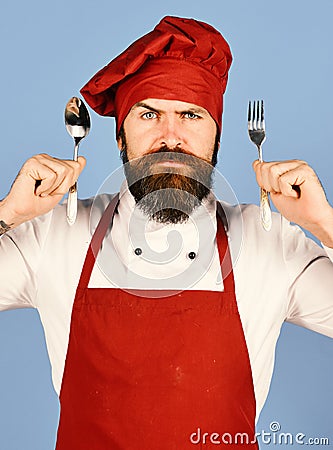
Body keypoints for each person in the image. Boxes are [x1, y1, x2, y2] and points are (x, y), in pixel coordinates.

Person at [0, 15, 332, 449]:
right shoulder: (52, 236)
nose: (170, 137)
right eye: (149, 113)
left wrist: (324, 223)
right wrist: (7, 213)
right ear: (120, 135)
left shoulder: (269, 240)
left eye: (191, 114)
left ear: (217, 136)